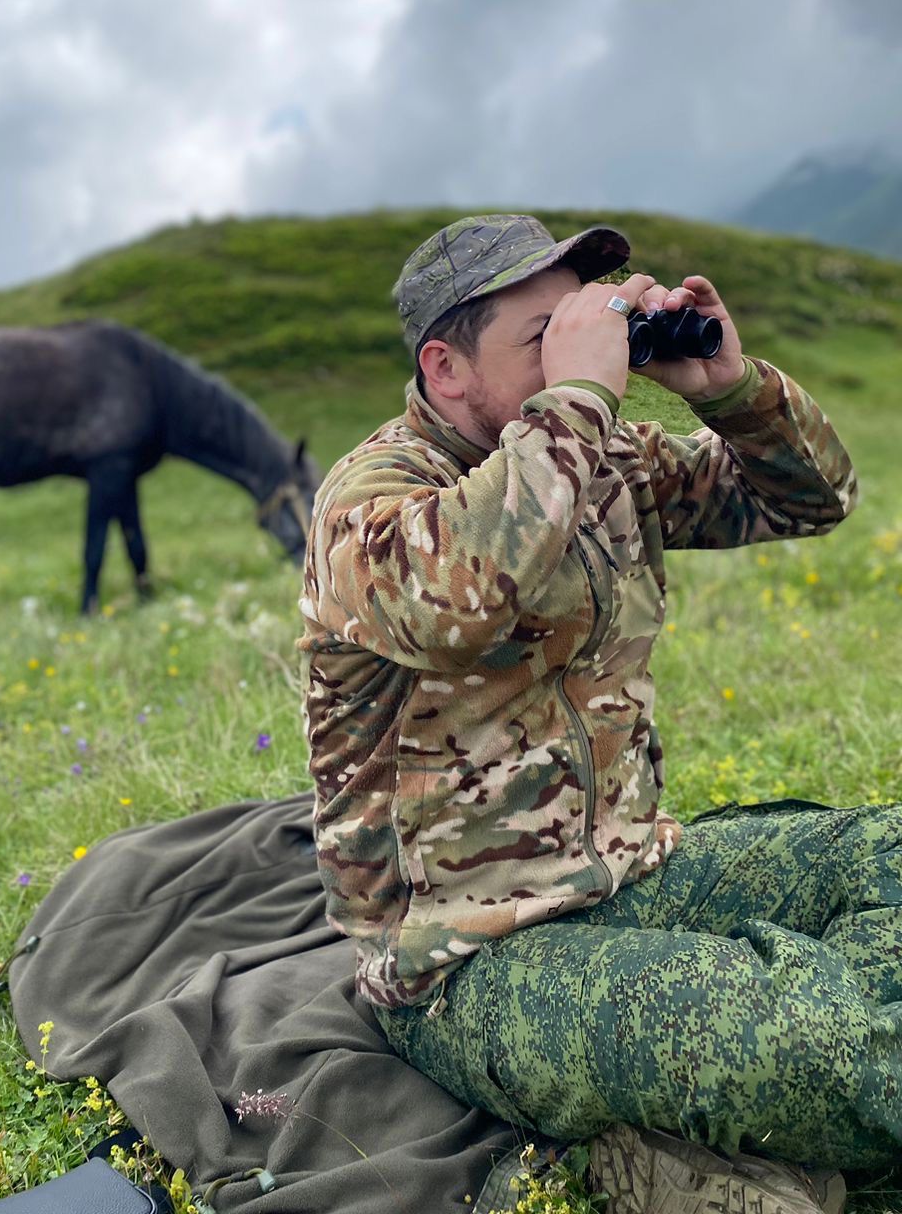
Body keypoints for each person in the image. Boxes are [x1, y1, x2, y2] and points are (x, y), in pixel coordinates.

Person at [297, 213, 901, 1187]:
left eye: (591, 320)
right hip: (465, 963)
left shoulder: (600, 454)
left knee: (891, 855)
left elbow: (812, 497)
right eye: (547, 335)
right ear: (447, 369)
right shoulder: (369, 502)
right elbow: (464, 594)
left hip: (629, 873)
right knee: (823, 1043)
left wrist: (732, 391)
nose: (588, 349)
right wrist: (578, 397)